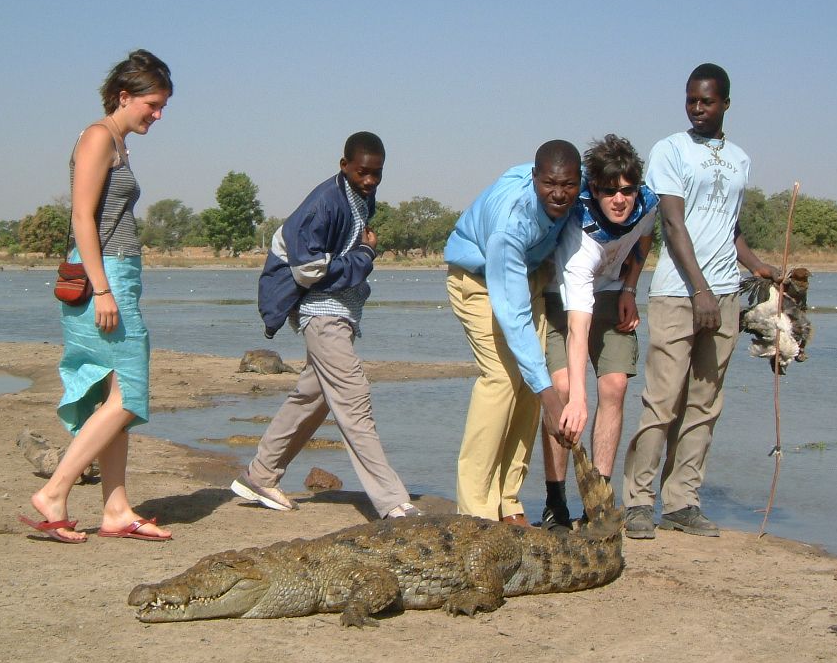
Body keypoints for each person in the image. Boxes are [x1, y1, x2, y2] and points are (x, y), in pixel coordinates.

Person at [21, 49, 174, 543]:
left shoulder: (118, 143)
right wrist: (105, 290)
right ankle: (55, 492)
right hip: (101, 279)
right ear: (124, 96)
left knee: (114, 398)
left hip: (116, 275)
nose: (158, 114)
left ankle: (116, 509)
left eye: (162, 105)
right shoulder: (96, 137)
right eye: (152, 104)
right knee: (130, 393)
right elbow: (82, 217)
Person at [622, 63, 779, 539]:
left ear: (726, 103)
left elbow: (730, 228)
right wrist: (699, 290)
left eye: (706, 102)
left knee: (705, 402)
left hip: (726, 294)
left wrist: (758, 267)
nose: (697, 109)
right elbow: (672, 224)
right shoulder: (669, 150)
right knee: (663, 401)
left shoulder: (741, 159)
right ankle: (637, 501)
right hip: (679, 292)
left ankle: (682, 502)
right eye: (691, 100)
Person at [232, 132, 419, 520]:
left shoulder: (362, 199)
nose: (369, 180)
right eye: (363, 172)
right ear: (344, 165)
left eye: (377, 174)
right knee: (354, 399)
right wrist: (365, 255)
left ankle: (261, 473)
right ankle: (392, 501)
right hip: (320, 310)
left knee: (312, 398)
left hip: (340, 310)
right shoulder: (324, 204)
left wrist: (358, 257)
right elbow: (309, 270)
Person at [444, 140, 581, 525]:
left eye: (568, 185)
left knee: (528, 388)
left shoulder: (577, 192)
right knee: (502, 380)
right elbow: (513, 315)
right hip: (478, 280)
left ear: (579, 180)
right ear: (535, 178)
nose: (559, 194)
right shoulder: (511, 222)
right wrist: (555, 402)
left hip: (528, 276)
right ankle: (475, 511)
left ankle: (508, 501)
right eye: (549, 184)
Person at [538, 134, 659, 532]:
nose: (619, 200)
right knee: (559, 393)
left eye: (627, 190)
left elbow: (644, 238)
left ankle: (598, 501)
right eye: (609, 192)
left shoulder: (647, 205)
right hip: (565, 300)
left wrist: (629, 288)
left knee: (615, 388)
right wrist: (576, 397)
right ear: (594, 189)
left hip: (611, 294)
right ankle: (555, 501)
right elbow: (577, 328)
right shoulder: (581, 239)